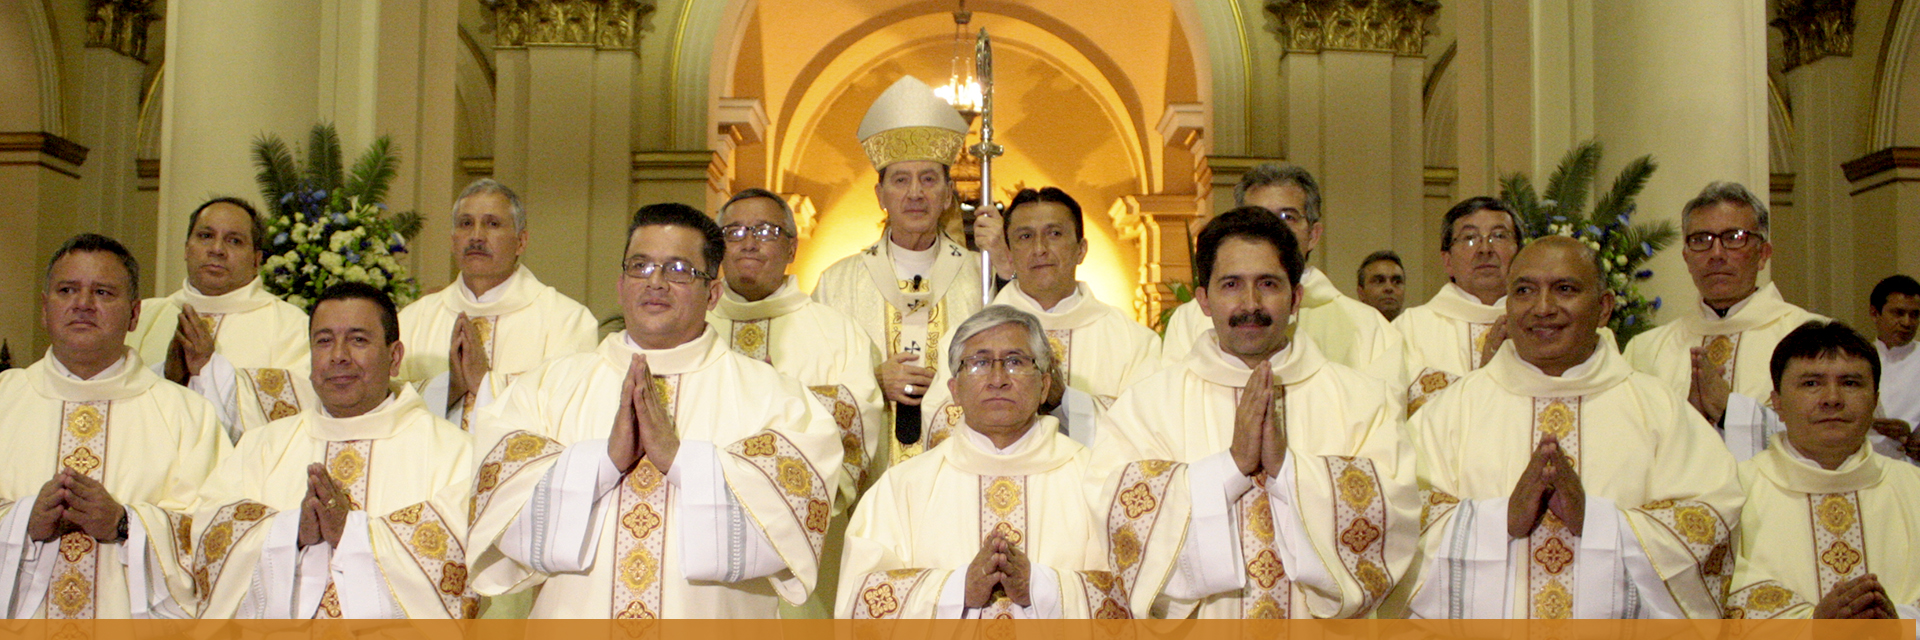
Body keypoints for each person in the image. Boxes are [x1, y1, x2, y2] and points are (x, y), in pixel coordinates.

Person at [467, 203, 843, 618]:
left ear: (713, 293)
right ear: (620, 285)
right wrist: (602, 464)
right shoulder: (546, 388)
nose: (656, 282)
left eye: (679, 269)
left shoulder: (776, 399)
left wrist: (684, 462)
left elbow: (793, 523)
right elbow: (497, 502)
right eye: (640, 266)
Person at [1093, 207, 1417, 619]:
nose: (1251, 304)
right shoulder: (1146, 406)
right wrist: (1228, 470)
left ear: (1296, 297)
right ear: (1204, 301)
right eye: (1231, 285)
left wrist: (1289, 470)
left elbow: (1396, 515)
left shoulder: (1364, 402)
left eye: (1268, 284)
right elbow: (1118, 518)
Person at [1406, 236, 1744, 619]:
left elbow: (1711, 520)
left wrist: (1597, 522)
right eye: (1524, 291)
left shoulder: (1660, 410)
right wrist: (1501, 520)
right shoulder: (1451, 410)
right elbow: (1401, 522)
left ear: (1604, 307)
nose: (1543, 308)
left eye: (1564, 289)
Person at [192, 282, 474, 618]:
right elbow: (210, 539)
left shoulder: (453, 453)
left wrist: (350, 533)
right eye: (324, 341)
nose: (338, 355)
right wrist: (293, 532)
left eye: (358, 340)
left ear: (394, 357)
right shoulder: (262, 446)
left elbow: (462, 566)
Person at [839, 306, 1129, 619]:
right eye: (979, 363)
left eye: (1015, 361)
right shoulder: (902, 487)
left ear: (1045, 385)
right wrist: (958, 590)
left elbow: (1133, 596)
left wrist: (1041, 587)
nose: (997, 379)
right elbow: (860, 601)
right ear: (954, 391)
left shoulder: (1097, 480)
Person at [0, 233, 228, 618]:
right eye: (67, 290)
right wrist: (23, 522)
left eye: (103, 293)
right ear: (44, 308)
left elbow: (218, 537)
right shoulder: (5, 399)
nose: (83, 305)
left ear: (135, 314)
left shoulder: (187, 414)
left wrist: (125, 524)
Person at [704, 187, 885, 618]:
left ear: (791, 246)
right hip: (701, 527)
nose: (748, 242)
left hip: (805, 536)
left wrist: (765, 404)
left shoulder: (837, 331)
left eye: (765, 230)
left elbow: (855, 423)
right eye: (734, 231)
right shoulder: (693, 323)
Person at [814, 76, 985, 469]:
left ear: (947, 194)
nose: (914, 193)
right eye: (900, 180)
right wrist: (872, 381)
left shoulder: (980, 277)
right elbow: (808, 390)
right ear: (880, 196)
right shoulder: (836, 283)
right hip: (867, 478)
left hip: (958, 469)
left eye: (928, 179)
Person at [916, 188, 1161, 447]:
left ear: (1081, 249)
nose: (1040, 249)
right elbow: (939, 425)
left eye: (1054, 234)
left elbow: (1148, 428)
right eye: (1025, 236)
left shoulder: (1134, 341)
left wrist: (1065, 402)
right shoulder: (966, 339)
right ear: (1009, 253)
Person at [1722, 321, 1920, 619]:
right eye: (1811, 383)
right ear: (1776, 402)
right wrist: (1812, 626)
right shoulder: (1731, 492)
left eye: (1851, 383)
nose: (1832, 399)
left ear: (1876, 400)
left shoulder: (1914, 486)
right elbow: (1714, 596)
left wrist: (1900, 624)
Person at [1624, 182, 1824, 459]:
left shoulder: (1815, 338)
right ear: (1686, 257)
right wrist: (1687, 416)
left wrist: (1731, 411)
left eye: (1734, 237)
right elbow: (1625, 442)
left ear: (1763, 254)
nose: (1716, 254)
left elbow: (1835, 436)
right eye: (1701, 240)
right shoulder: (1646, 350)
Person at [1161, 164, 1408, 388]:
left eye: (1286, 217)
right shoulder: (1190, 319)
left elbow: (1383, 414)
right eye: (1258, 214)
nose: (1272, 228)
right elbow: (1174, 401)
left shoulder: (1368, 326)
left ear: (1313, 234)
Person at [396, 178, 599, 430]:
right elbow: (386, 407)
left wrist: (485, 383)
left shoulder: (567, 321)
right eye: (465, 224)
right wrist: (448, 389)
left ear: (521, 242)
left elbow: (571, 413)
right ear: (452, 240)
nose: (477, 236)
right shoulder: (413, 320)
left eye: (492, 224)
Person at [124, 197, 313, 440]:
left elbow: (306, 411)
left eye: (234, 241)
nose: (217, 250)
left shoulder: (292, 326)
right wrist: (166, 377)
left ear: (257, 260)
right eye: (205, 236)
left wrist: (209, 369)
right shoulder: (141, 317)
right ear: (186, 248)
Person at [1395, 197, 1523, 413]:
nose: (1485, 249)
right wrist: (1485, 378)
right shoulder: (1409, 329)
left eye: (1499, 236)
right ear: (1447, 261)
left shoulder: (1545, 324)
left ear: (1520, 254)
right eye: (1469, 238)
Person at [1868, 275, 1920, 459]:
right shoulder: (1856, 359)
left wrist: (1911, 432)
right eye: (1898, 313)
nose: (1907, 323)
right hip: (1865, 463)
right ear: (1875, 313)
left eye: (1914, 314)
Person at [1356, 250, 1405, 321]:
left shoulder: (1418, 330)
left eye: (1397, 282)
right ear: (1361, 293)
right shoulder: (1347, 330)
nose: (1389, 288)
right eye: (1379, 281)